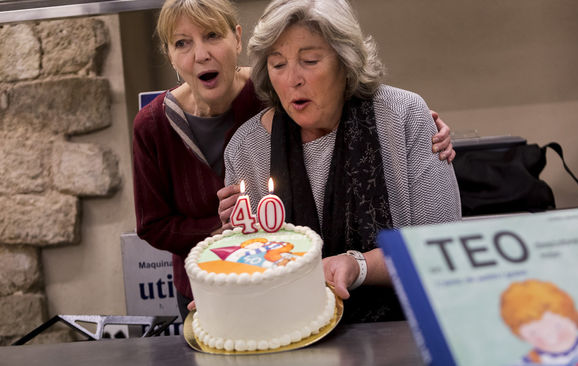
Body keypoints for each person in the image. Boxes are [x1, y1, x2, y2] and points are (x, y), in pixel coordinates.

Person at [132, 0, 455, 322]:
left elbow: (441, 249)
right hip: (293, 329)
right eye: (278, 64)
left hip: (408, 324)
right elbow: (257, 261)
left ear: (346, 60)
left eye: (310, 60)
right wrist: (227, 293)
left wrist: (359, 266)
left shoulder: (401, 116)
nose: (292, 79)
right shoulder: (247, 148)